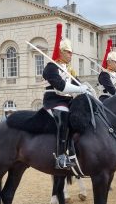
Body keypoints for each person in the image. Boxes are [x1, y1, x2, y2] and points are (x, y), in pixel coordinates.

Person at [43, 25, 90, 169]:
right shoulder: (51, 67)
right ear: (61, 52)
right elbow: (61, 87)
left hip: (68, 100)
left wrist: (87, 89)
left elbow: (77, 83)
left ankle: (74, 150)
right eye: (68, 52)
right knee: (64, 114)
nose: (71, 55)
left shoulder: (69, 69)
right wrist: (79, 89)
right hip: (54, 100)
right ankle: (61, 156)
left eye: (71, 52)